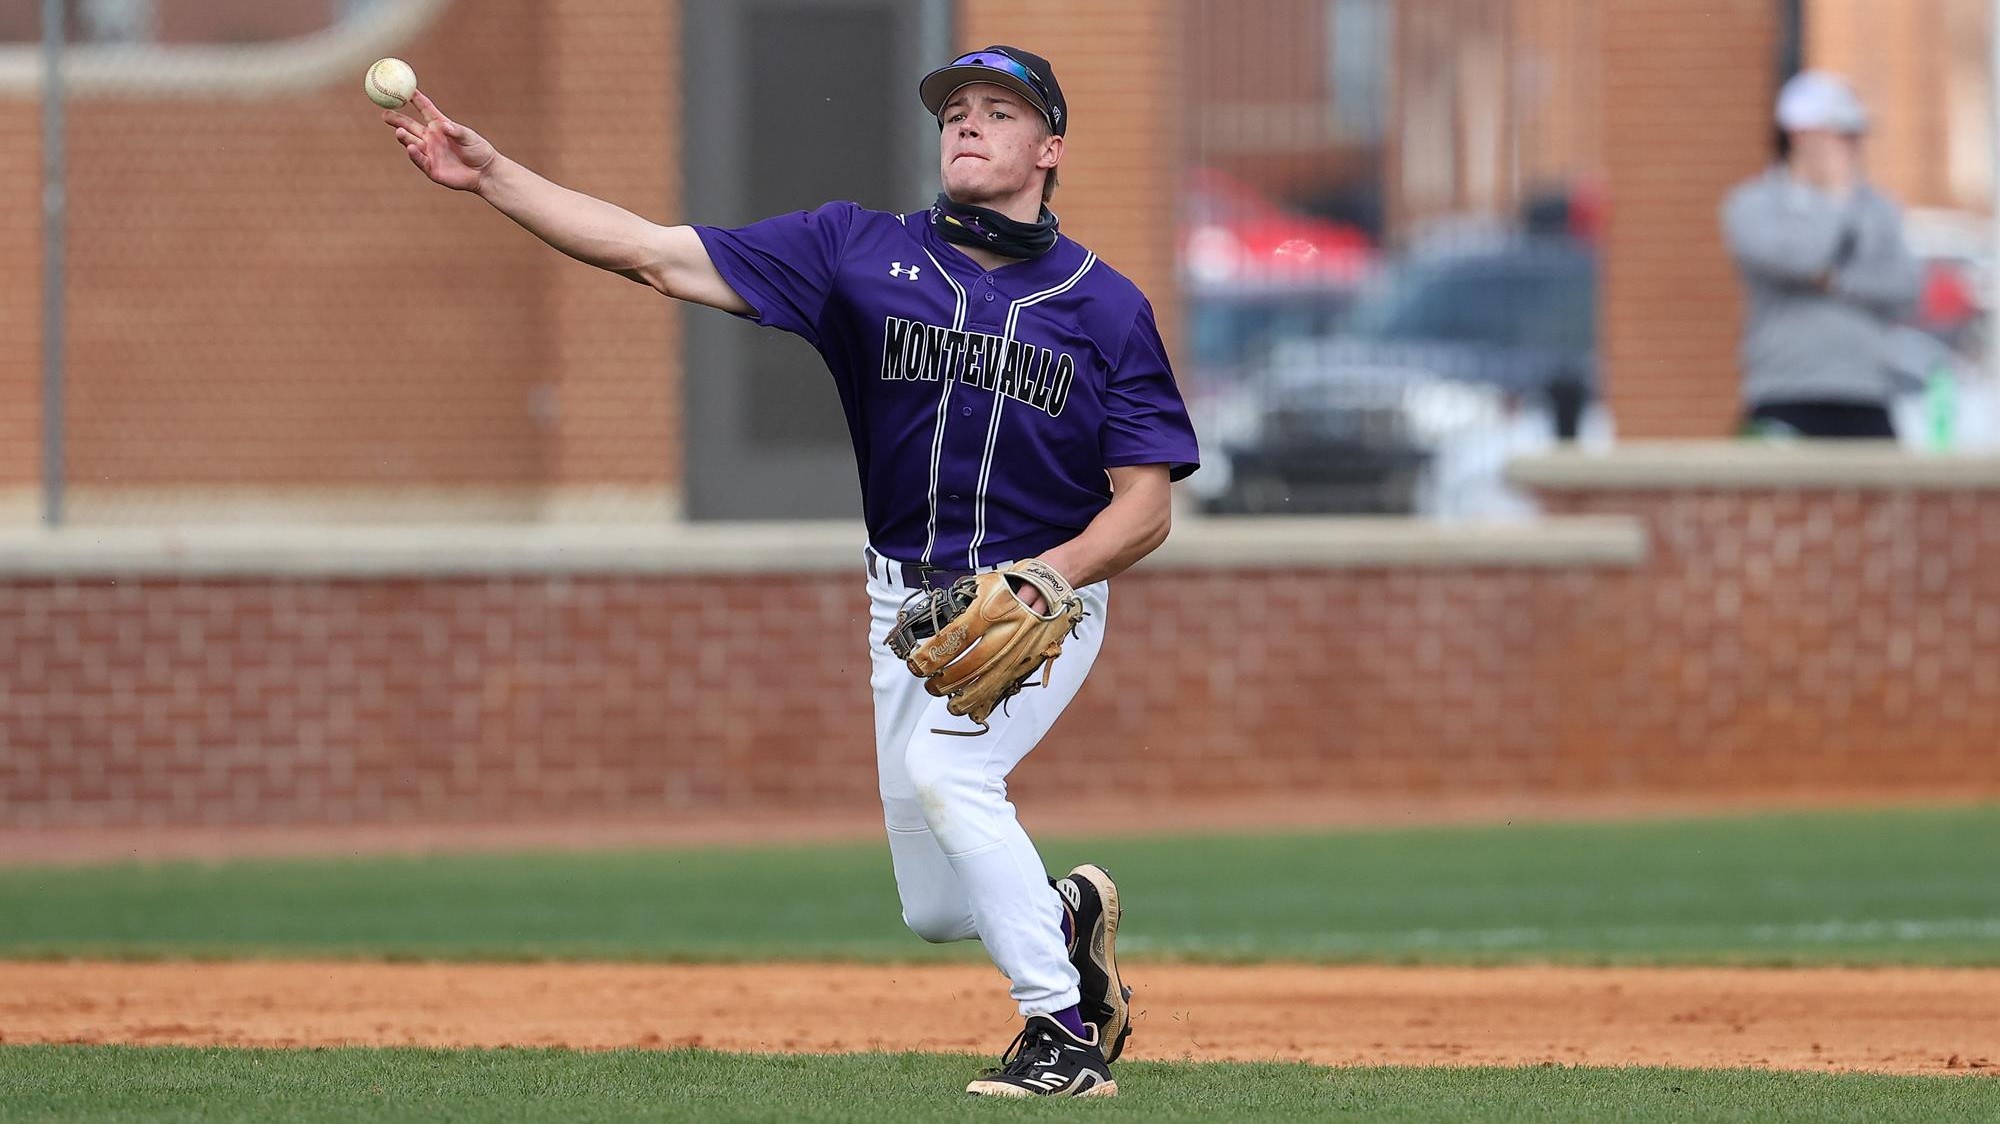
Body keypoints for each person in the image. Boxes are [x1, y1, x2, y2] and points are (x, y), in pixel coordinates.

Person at [382, 45, 1198, 1098]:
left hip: (1043, 603)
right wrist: (491, 175)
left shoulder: (1105, 306)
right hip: (906, 608)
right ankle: (1067, 918)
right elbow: (650, 253)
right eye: (954, 108)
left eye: (999, 111)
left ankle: (1059, 1035)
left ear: (1049, 149)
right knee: (935, 907)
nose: (966, 124)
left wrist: (1050, 574)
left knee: (951, 775)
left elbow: (1146, 504)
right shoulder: (855, 250)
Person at [1721, 70, 1924, 438]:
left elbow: (1904, 289)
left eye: (1854, 137)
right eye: (1840, 136)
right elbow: (1799, 261)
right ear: (1798, 135)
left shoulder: (1878, 208)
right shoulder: (1754, 204)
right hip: (1784, 393)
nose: (1852, 147)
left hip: (1868, 394)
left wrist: (1833, 281)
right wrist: (1832, 199)